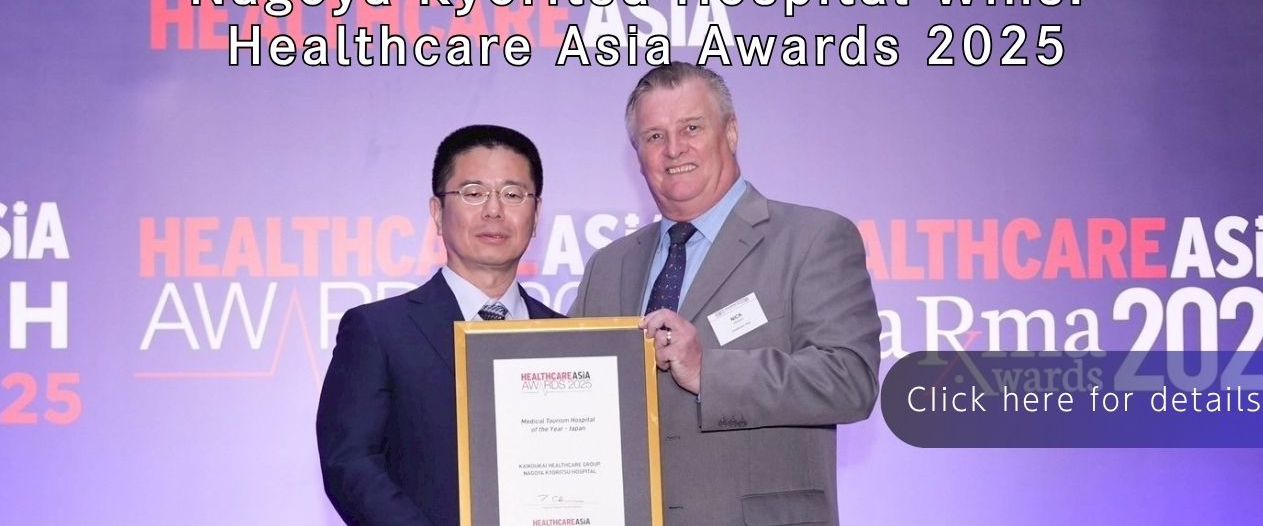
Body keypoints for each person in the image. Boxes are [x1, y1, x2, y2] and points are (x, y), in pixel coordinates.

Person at [570, 63, 881, 526]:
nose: (674, 148)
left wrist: (708, 371)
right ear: (638, 156)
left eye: (691, 128)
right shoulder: (608, 265)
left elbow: (850, 380)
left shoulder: (814, 238)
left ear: (731, 132)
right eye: (654, 136)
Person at [317, 124, 563, 526]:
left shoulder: (570, 337)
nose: (494, 210)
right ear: (437, 212)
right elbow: (350, 464)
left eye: (513, 194)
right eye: (473, 193)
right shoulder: (378, 331)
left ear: (536, 215)